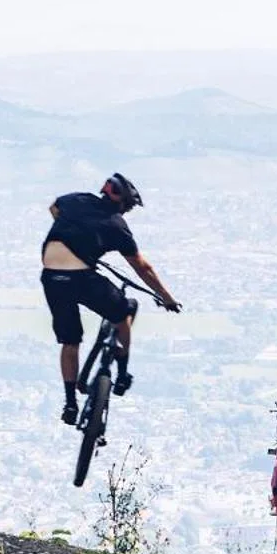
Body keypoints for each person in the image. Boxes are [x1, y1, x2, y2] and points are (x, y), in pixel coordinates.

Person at [41, 172, 181, 425]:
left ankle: (70, 404)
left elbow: (54, 207)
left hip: (51, 278)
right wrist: (167, 298)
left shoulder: (76, 200)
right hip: (82, 278)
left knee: (70, 342)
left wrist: (73, 237)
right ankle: (123, 372)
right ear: (123, 204)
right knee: (123, 313)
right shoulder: (116, 225)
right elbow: (143, 268)